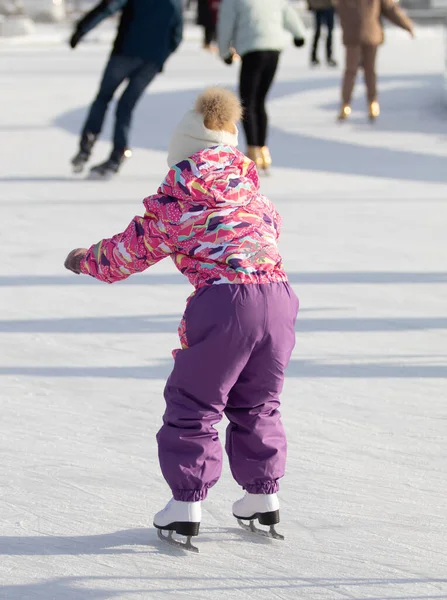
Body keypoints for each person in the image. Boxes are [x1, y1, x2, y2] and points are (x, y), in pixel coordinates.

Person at [64, 87, 299, 551]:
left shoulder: (179, 203)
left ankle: (186, 506)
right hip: (279, 299)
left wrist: (84, 260)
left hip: (225, 303)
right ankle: (263, 495)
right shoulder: (256, 197)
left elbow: (127, 253)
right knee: (259, 401)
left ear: (182, 158)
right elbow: (269, 232)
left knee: (195, 402)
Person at [69, 0, 183, 178]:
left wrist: (81, 29)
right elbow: (177, 36)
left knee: (104, 98)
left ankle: (87, 144)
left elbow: (108, 7)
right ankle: (117, 155)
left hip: (125, 52)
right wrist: (161, 57)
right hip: (152, 61)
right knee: (126, 106)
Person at [217, 0, 307, 172]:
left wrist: (224, 52)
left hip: (252, 50)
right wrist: (299, 34)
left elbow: (226, 23)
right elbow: (287, 12)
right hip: (273, 50)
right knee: (259, 101)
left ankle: (253, 151)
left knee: (247, 102)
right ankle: (263, 151)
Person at [336, 0, 414, 121]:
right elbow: (390, 10)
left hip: (354, 34)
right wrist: (407, 25)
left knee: (352, 71)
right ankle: (371, 104)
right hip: (369, 32)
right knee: (369, 71)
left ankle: (346, 105)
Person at [308, 0, 336, 67]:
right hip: (319, 6)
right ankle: (315, 57)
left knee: (328, 33)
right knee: (319, 32)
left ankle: (327, 57)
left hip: (327, 6)